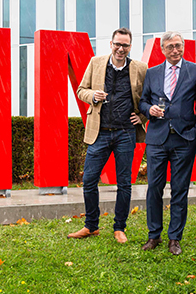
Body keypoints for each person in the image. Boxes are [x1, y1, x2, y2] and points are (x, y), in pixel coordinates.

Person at [68, 27, 148, 244]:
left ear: (130, 47)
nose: (121, 49)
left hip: (125, 133)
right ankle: (91, 226)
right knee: (89, 179)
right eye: (118, 44)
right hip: (100, 133)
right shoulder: (96, 63)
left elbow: (149, 97)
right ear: (111, 44)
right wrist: (93, 95)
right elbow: (81, 89)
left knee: (124, 183)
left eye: (125, 45)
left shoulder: (140, 68)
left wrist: (142, 117)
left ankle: (119, 227)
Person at [139, 31, 196, 255]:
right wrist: (148, 110)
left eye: (178, 46)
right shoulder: (152, 73)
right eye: (170, 47)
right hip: (157, 139)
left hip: (184, 138)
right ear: (162, 49)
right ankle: (153, 235)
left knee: (179, 190)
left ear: (184, 46)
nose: (175, 50)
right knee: (154, 189)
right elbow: (143, 101)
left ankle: (175, 238)